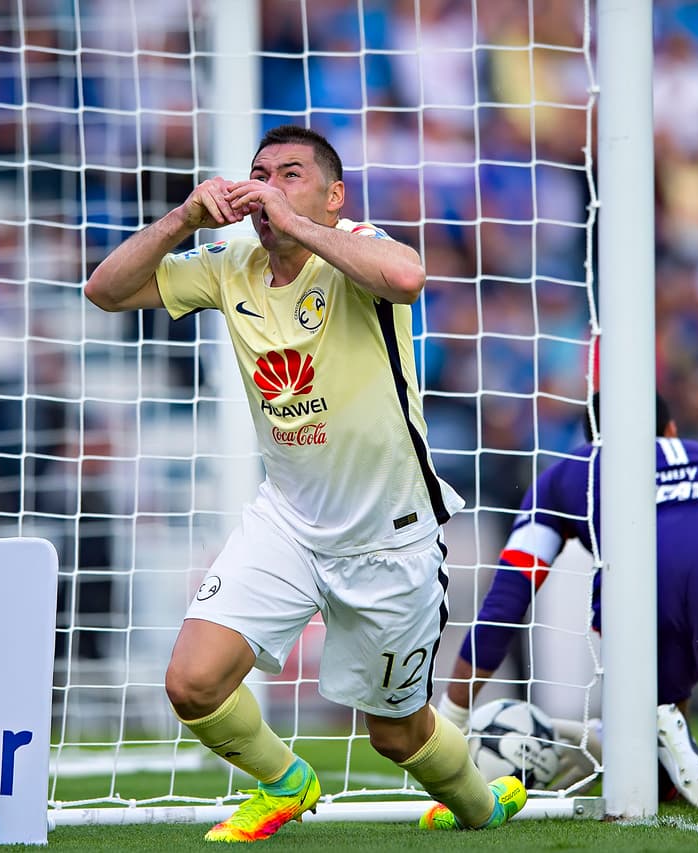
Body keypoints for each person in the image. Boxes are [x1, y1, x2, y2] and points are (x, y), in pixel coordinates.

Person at [84, 124, 525, 840]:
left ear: (334, 195)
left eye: (292, 173)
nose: (269, 185)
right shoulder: (231, 261)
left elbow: (409, 278)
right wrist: (185, 219)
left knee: (397, 734)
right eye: (261, 173)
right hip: (287, 520)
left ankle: (481, 802)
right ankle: (287, 782)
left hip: (390, 534)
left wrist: (295, 225)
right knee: (191, 683)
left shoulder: (356, 245)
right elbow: (105, 290)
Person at [438, 393, 698, 810]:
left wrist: (451, 720)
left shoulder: (567, 472)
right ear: (670, 429)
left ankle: (659, 744)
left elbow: (506, 603)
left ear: (591, 440)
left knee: (642, 772)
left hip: (637, 580)